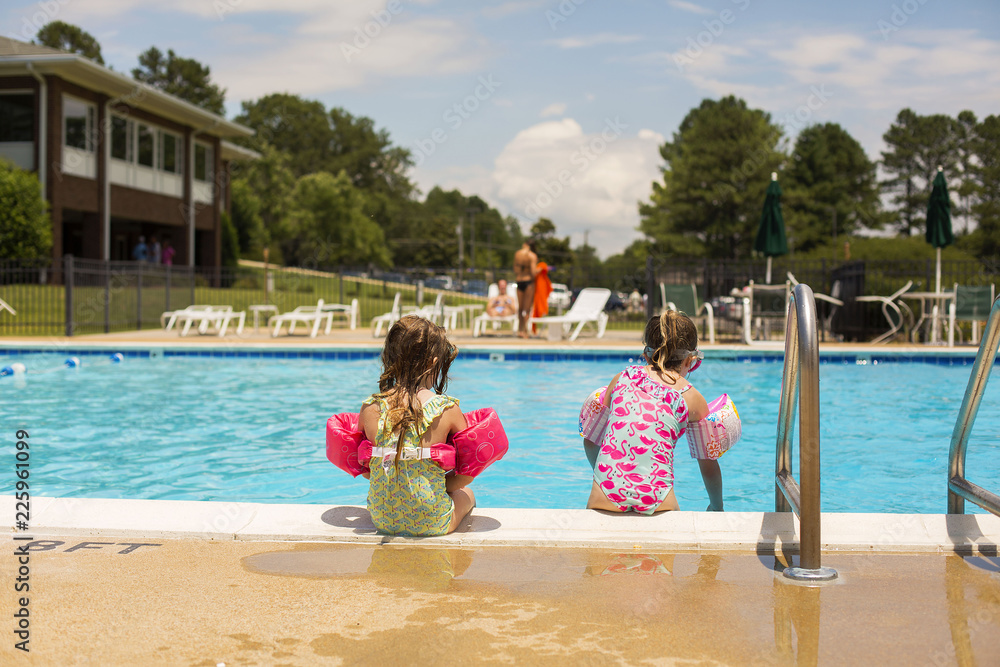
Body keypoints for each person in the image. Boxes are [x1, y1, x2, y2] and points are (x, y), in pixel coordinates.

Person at [585, 310, 724, 514]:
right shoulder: (692, 397)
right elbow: (708, 465)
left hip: (605, 491)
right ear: (690, 361)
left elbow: (590, 441)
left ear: (646, 354)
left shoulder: (620, 379)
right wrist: (716, 507)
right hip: (658, 497)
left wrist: (609, 475)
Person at [359, 316, 476, 536]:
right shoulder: (446, 408)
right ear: (433, 362)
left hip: (382, 518)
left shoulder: (370, 408)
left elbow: (368, 472)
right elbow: (467, 473)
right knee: (467, 494)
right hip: (431, 521)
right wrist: (442, 485)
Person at [513, 240, 539, 338]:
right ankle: (525, 331)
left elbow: (515, 269)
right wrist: (538, 271)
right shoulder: (532, 256)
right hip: (528, 282)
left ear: (525, 244)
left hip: (519, 281)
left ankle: (520, 330)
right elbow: (533, 272)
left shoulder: (517, 254)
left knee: (520, 308)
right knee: (527, 309)